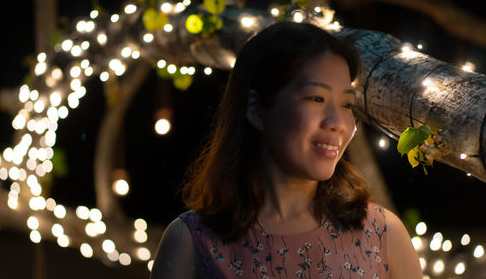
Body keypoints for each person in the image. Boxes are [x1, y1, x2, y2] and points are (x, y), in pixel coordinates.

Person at [150, 21, 422, 279]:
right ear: (257, 109)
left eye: (347, 105)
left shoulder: (382, 235)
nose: (338, 123)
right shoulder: (191, 242)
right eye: (317, 98)